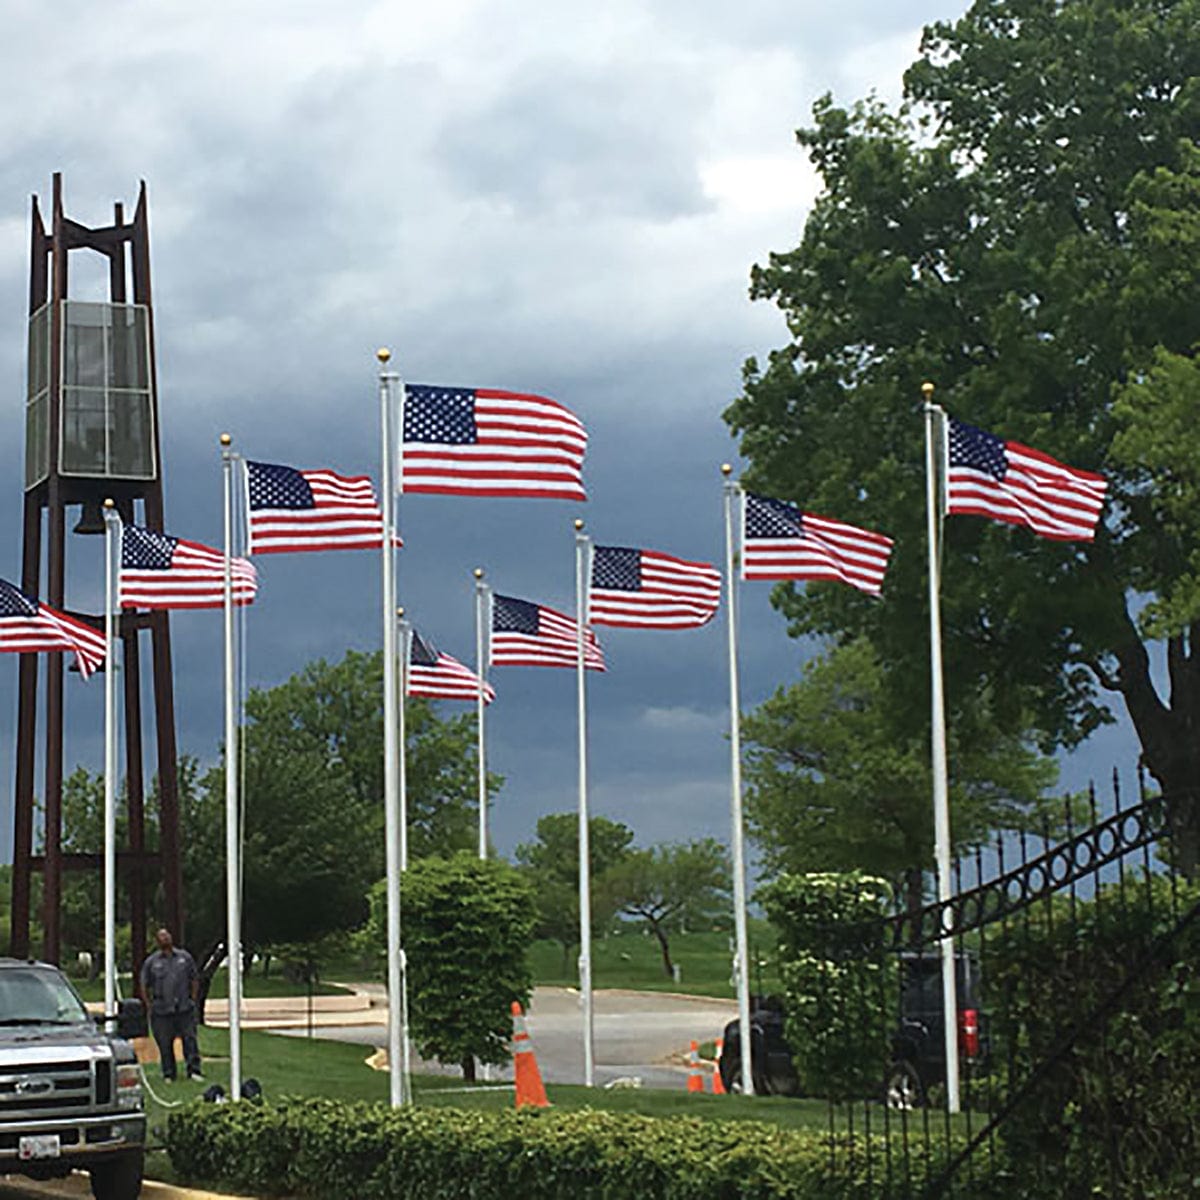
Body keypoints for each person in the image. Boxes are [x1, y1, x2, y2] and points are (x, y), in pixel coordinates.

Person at [138, 927, 202, 1082]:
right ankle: (169, 1073)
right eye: (161, 937)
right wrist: (149, 1005)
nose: (165, 939)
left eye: (167, 935)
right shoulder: (152, 962)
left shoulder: (184, 958)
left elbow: (194, 979)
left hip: (184, 1008)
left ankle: (194, 1071)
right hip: (162, 1010)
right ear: (157, 941)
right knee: (165, 1043)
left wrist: (192, 999)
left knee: (190, 1039)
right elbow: (144, 985)